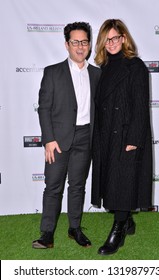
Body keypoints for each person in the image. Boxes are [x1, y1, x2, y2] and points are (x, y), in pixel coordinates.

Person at [32, 22, 101, 249]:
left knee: (78, 186)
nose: (80, 47)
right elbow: (44, 108)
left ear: (89, 45)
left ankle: (75, 228)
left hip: (85, 137)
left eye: (84, 42)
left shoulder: (96, 74)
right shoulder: (52, 72)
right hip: (58, 140)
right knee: (53, 186)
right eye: (75, 42)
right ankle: (47, 233)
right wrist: (48, 140)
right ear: (66, 44)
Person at [91, 19, 153, 255]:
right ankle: (126, 221)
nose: (112, 43)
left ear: (124, 38)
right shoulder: (103, 69)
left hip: (126, 134)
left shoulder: (135, 66)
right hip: (106, 135)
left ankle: (118, 229)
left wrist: (134, 139)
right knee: (111, 182)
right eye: (107, 39)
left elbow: (140, 105)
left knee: (122, 184)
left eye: (116, 38)